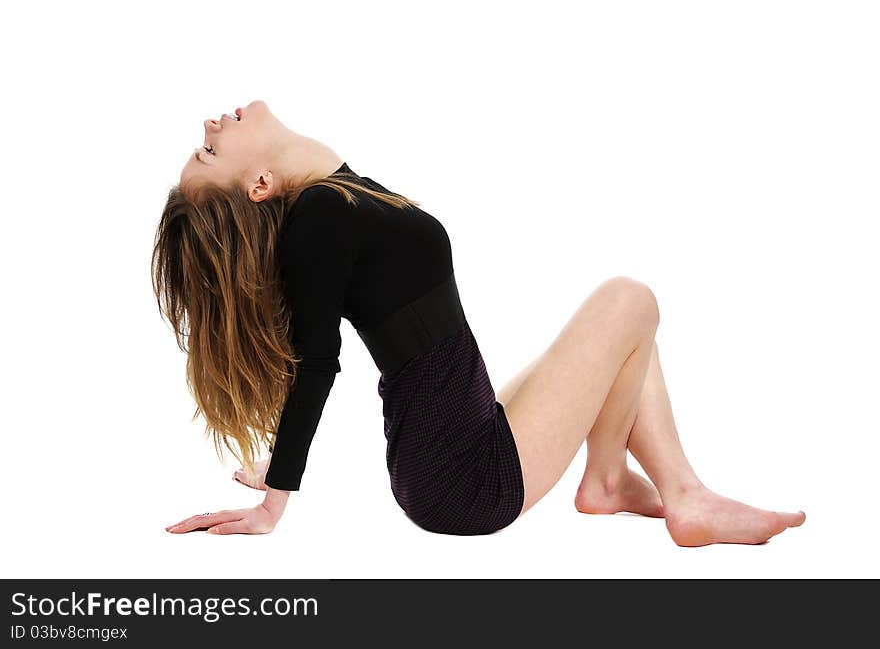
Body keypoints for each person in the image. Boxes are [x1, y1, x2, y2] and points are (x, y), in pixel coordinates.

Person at [155, 100, 805, 546]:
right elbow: (317, 358)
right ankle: (679, 493)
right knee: (629, 300)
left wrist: (276, 464)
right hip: (464, 478)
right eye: (211, 149)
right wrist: (277, 501)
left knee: (628, 347)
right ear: (260, 182)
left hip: (462, 440)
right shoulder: (320, 216)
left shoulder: (333, 194)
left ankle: (607, 482)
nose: (212, 123)